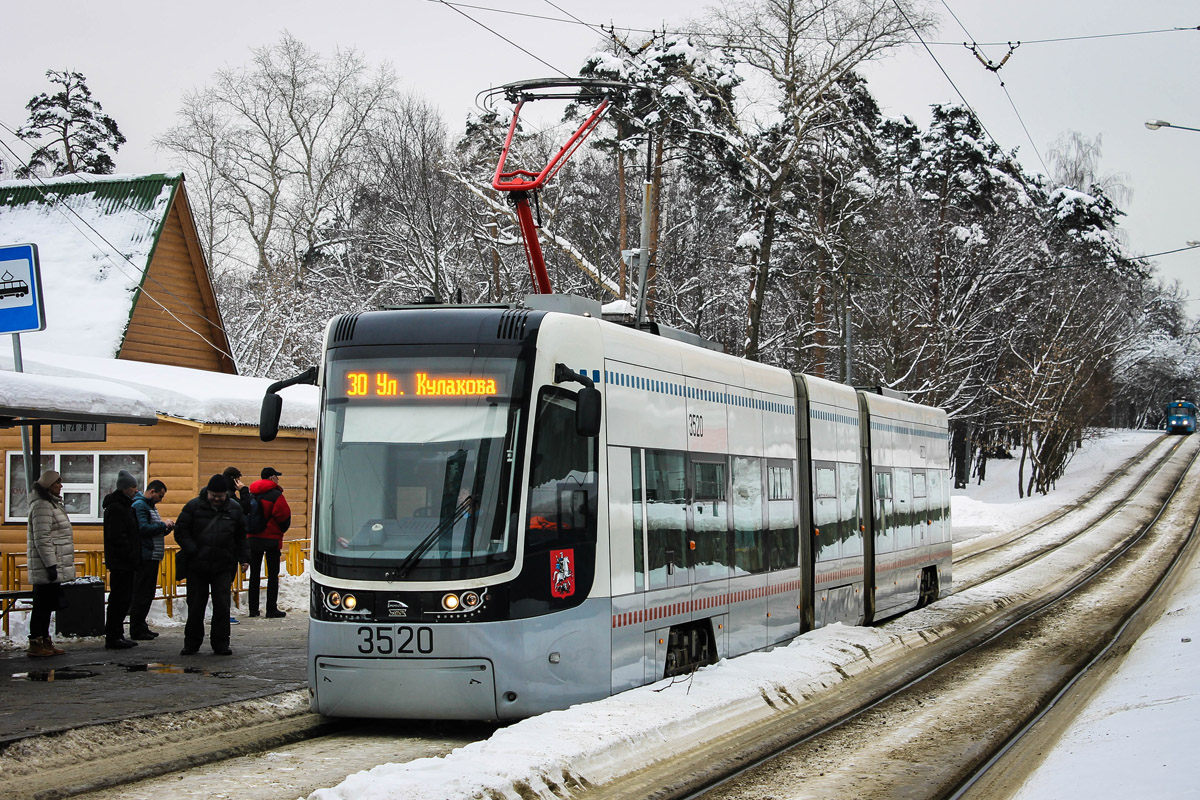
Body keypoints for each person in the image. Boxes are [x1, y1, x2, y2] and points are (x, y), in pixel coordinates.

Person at [174, 474, 249, 655]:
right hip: (197, 566)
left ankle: (221, 644)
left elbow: (241, 537)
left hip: (223, 566)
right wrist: (192, 550)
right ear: (207, 492)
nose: (216, 499)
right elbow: (180, 531)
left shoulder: (234, 509)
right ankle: (191, 643)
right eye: (213, 495)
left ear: (225, 495)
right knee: (196, 606)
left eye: (220, 496)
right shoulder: (193, 506)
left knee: (222, 606)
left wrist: (244, 558)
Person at [25, 470, 74, 658]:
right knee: (42, 604)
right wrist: (50, 564)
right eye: (57, 483)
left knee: (47, 604)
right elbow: (42, 538)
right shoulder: (42, 506)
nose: (61, 486)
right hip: (46, 564)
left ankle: (44, 639)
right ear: (48, 485)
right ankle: (36, 641)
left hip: (53, 562)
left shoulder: (51, 504)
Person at [129, 479, 173, 640]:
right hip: (146, 556)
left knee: (148, 593)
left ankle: (141, 625)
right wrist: (163, 525)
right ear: (152, 491)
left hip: (153, 555)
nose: (160, 499)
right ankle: (136, 627)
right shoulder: (140, 506)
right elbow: (143, 529)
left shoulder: (150, 507)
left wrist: (165, 529)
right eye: (159, 496)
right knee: (142, 593)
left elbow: (153, 531)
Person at [102, 470, 141, 649]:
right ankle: (113, 635)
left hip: (125, 560)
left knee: (123, 598)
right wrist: (130, 553)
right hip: (121, 561)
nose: (136, 490)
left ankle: (117, 633)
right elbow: (117, 535)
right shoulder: (117, 508)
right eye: (133, 486)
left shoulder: (125, 506)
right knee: (119, 598)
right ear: (125, 488)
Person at [247, 467, 291, 618]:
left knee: (254, 574)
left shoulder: (252, 494)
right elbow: (284, 516)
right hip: (271, 539)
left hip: (253, 538)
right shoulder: (276, 495)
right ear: (272, 478)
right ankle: (271, 609)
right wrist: (279, 531)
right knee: (273, 574)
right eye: (277, 477)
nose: (278, 479)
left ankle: (253, 609)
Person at [222, 466, 251, 626]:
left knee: (223, 585)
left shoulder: (218, 494)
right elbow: (246, 508)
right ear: (234, 479)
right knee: (225, 584)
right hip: (229, 549)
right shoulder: (231, 497)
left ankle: (222, 614)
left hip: (222, 549)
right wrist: (244, 490)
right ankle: (223, 615)